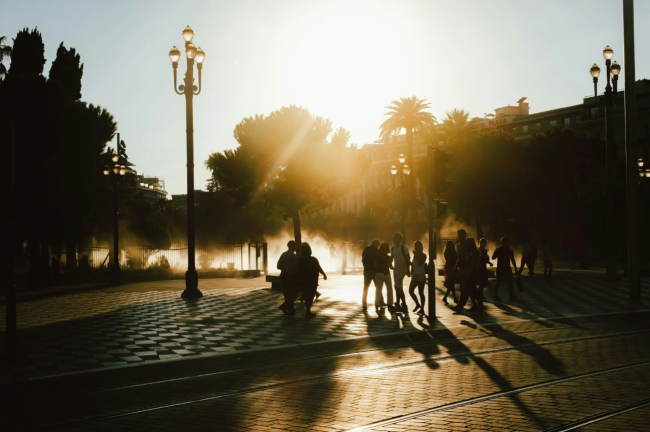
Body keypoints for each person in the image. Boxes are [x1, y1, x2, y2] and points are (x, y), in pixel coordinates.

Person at [296, 243, 327, 318]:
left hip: (304, 281)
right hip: (313, 281)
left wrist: (298, 279)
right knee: (310, 295)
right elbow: (319, 268)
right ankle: (308, 311)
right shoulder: (313, 259)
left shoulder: (301, 260)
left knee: (306, 295)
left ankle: (308, 310)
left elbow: (298, 270)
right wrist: (324, 274)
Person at [454, 238, 481, 314]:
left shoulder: (475, 252)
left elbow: (472, 264)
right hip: (468, 273)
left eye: (468, 244)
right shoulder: (470, 252)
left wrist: (467, 273)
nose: (467, 245)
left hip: (471, 274)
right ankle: (477, 305)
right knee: (469, 291)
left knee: (466, 290)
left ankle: (461, 307)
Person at [492, 237, 519, 302]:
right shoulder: (509, 250)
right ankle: (511, 295)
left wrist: (498, 256)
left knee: (499, 281)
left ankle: (495, 294)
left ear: (501, 242)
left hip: (500, 268)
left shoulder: (498, 249)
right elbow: (512, 260)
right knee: (509, 282)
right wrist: (515, 268)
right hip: (507, 268)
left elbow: (493, 258)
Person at [277, 240, 299, 315]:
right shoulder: (294, 256)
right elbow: (296, 267)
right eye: (295, 245)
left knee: (287, 293)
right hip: (291, 276)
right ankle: (287, 307)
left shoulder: (283, 254)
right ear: (291, 246)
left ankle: (290, 309)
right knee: (293, 293)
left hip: (283, 276)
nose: (296, 247)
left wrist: (285, 268)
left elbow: (278, 266)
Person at [391, 233, 411, 311]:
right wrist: (390, 265)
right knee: (398, 287)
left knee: (397, 286)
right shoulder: (392, 248)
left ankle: (401, 304)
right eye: (393, 238)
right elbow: (392, 258)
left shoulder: (404, 248)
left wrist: (408, 270)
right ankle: (400, 304)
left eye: (395, 238)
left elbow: (407, 259)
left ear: (399, 239)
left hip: (402, 270)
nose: (393, 239)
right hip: (396, 270)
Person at [374, 242, 394, 313]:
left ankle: (377, 304)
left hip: (378, 274)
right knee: (389, 289)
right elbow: (390, 266)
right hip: (386, 274)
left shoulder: (377, 256)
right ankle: (390, 303)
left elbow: (375, 265)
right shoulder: (388, 257)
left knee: (378, 289)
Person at [409, 241, 427, 314]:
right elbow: (413, 264)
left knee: (420, 292)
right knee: (411, 291)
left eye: (416, 246)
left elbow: (420, 263)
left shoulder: (423, 255)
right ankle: (417, 304)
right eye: (414, 246)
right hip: (415, 275)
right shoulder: (415, 255)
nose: (415, 248)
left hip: (421, 275)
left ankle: (422, 308)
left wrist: (417, 254)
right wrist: (411, 271)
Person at [361, 239, 380, 310]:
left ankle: (364, 303)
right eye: (378, 245)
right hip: (374, 271)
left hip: (366, 270)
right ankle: (379, 302)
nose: (378, 246)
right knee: (378, 287)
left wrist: (365, 267)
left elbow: (362, 259)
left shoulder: (366, 249)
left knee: (366, 287)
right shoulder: (376, 251)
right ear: (376, 244)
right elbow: (377, 261)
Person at [477, 238, 493, 309]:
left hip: (479, 267)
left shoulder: (478, 249)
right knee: (485, 281)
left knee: (481, 281)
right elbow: (484, 258)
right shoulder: (483, 250)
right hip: (482, 267)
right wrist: (489, 262)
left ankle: (481, 294)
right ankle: (479, 292)